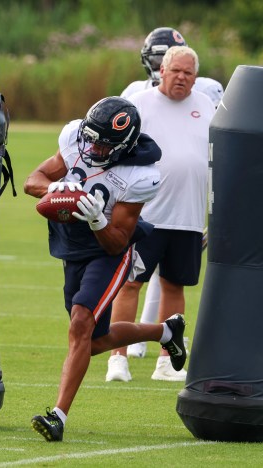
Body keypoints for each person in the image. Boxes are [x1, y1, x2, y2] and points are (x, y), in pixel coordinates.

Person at [24, 96, 187, 442]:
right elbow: (32, 180)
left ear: (123, 145)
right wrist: (55, 187)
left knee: (81, 322)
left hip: (110, 252)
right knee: (93, 341)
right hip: (72, 248)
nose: (94, 147)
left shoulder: (140, 175)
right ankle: (166, 333)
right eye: (92, 138)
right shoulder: (76, 139)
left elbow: (116, 241)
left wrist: (98, 217)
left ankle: (58, 417)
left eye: (103, 142)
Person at [106, 46, 215, 382]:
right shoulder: (140, 104)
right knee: (130, 284)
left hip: (189, 215)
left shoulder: (207, 106)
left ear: (195, 77)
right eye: (176, 70)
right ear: (162, 71)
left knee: (174, 285)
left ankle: (167, 361)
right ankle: (118, 358)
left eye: (188, 73)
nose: (181, 77)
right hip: (146, 215)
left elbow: (214, 157)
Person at [121, 27, 224, 107]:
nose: (162, 64)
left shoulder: (207, 89)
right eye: (157, 60)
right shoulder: (134, 92)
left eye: (168, 59)